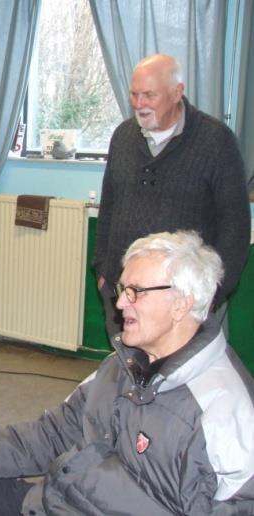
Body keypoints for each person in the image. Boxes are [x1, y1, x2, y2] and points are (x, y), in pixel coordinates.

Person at [0, 230, 254, 515]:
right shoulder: (120, 365)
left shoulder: (225, 409)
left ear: (182, 303)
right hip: (55, 501)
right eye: (121, 289)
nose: (119, 303)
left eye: (136, 292)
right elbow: (55, 432)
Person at [94, 53, 250, 336]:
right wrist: (102, 271)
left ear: (177, 92)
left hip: (183, 298)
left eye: (149, 95)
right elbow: (109, 208)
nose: (139, 104)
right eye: (134, 94)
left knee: (177, 374)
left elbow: (235, 226)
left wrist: (210, 293)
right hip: (122, 290)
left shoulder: (216, 141)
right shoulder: (122, 137)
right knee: (126, 370)